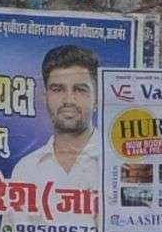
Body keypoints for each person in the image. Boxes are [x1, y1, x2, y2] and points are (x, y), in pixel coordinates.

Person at [7, 45, 104, 211]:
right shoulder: (26, 169)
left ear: (97, 98)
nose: (69, 100)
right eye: (58, 89)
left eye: (80, 89)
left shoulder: (119, 163)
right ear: (45, 97)